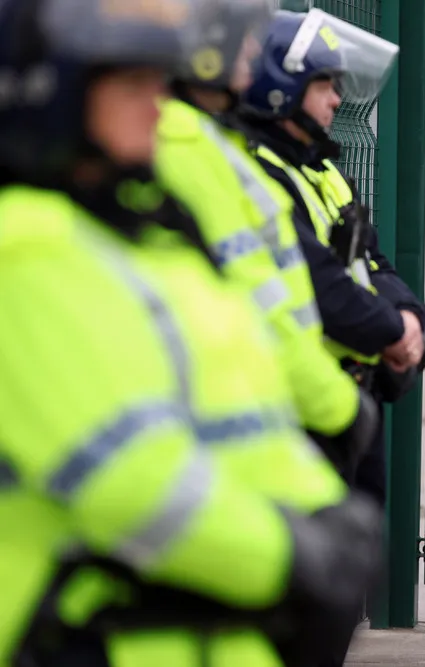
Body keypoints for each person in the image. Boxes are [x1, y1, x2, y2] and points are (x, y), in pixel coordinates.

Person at [0, 0, 381, 664]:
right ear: (48, 95)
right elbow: (125, 477)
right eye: (131, 84)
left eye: (158, 80)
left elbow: (242, 416)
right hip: (94, 638)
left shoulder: (148, 244)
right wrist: (293, 556)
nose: (158, 103)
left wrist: (324, 508)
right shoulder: (26, 253)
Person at [154, 0, 378, 474]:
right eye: (246, 39)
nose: (254, 54)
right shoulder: (190, 147)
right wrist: (342, 405)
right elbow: (265, 301)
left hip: (291, 397)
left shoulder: (219, 146)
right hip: (288, 401)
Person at [240, 8, 425, 509]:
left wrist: (409, 319)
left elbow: (373, 262)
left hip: (354, 387)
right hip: (299, 405)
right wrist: (392, 332)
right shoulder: (259, 173)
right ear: (278, 88)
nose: (336, 100)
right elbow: (317, 279)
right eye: (324, 85)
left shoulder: (319, 170)